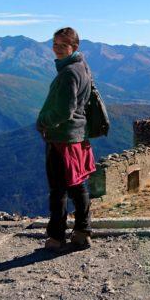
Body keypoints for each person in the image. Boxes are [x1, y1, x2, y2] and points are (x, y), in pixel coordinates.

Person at [37, 27, 97, 251]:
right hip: (78, 137)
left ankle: (56, 237)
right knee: (77, 185)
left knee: (58, 191)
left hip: (62, 139)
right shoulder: (82, 67)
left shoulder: (69, 73)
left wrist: (43, 121)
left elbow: (64, 111)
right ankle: (82, 231)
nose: (57, 49)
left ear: (74, 47)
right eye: (55, 44)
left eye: (63, 45)